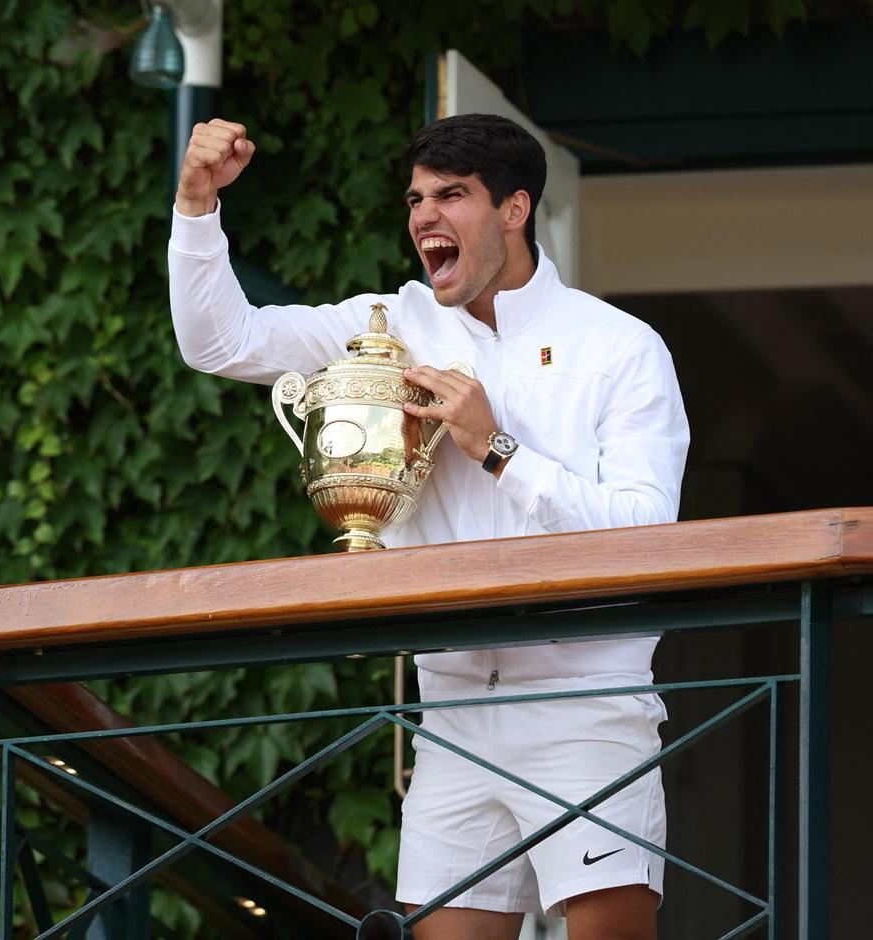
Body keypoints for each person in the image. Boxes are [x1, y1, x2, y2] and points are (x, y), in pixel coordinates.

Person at [168, 114, 689, 940]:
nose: (424, 217)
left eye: (452, 195)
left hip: (585, 705)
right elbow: (219, 341)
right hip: (449, 715)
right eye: (416, 199)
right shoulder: (387, 322)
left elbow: (647, 532)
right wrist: (198, 201)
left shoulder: (621, 347)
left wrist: (497, 448)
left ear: (515, 209)